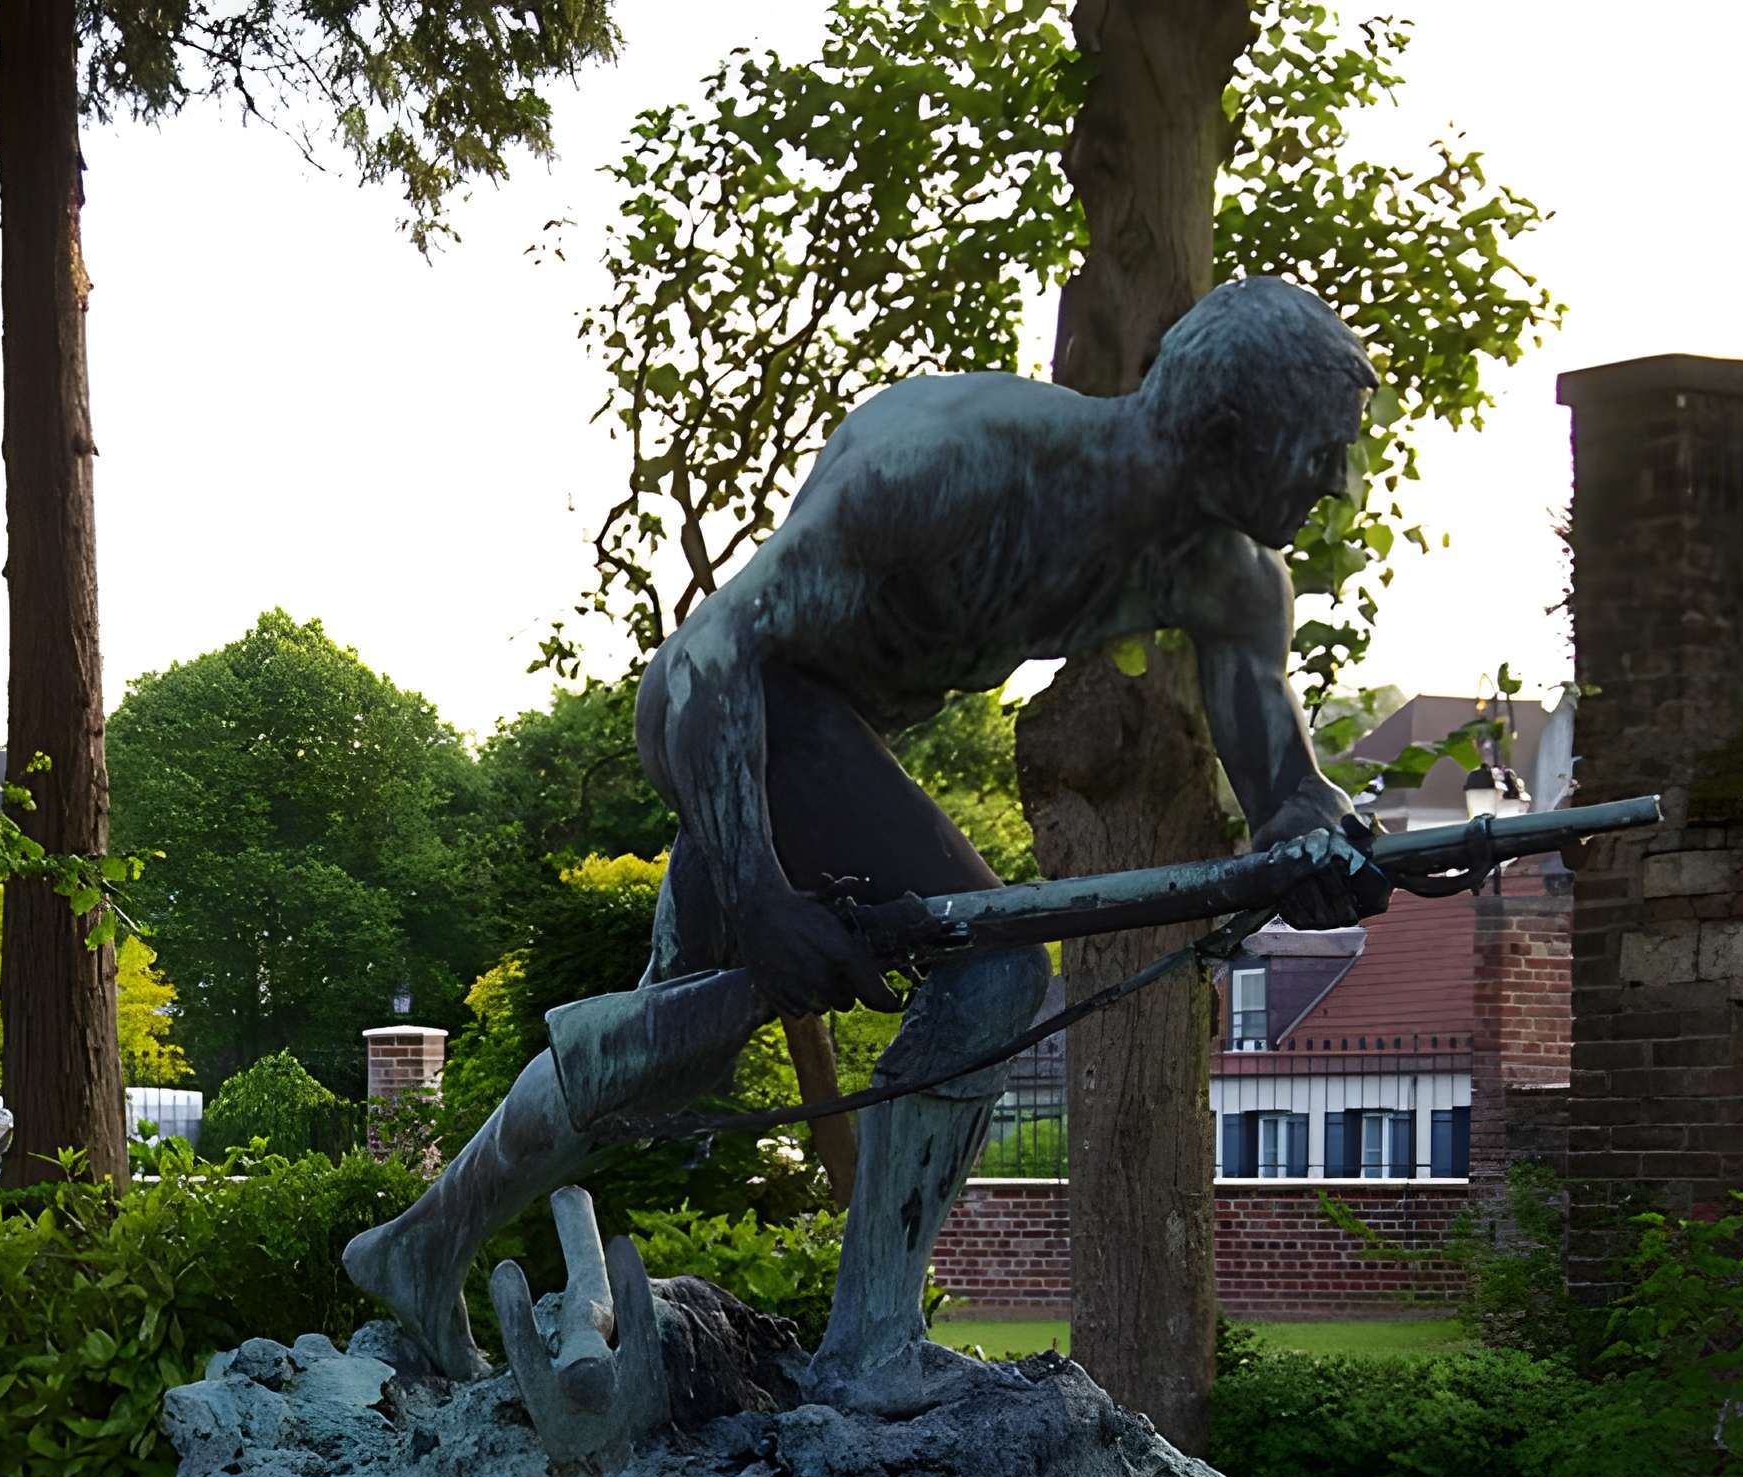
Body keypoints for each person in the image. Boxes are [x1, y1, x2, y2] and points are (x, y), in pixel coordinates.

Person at [345, 274, 1394, 1405]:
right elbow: (704, 664)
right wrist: (759, 896)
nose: (1337, 484)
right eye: (1318, 451)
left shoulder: (1229, 576)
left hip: (813, 751)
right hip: (741, 714)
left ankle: (417, 1247)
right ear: (1230, 429)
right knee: (995, 978)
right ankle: (871, 1344)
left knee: (665, 1049)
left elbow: (1285, 784)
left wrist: (1319, 841)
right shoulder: (948, 457)